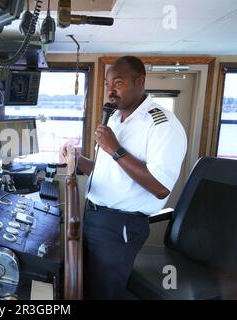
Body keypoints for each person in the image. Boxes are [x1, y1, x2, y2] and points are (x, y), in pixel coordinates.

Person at [62, 56, 187, 299]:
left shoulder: (162, 125)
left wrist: (115, 149)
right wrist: (77, 161)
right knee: (86, 288)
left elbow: (161, 188)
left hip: (120, 225)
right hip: (93, 215)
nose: (111, 90)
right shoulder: (116, 119)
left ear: (140, 81)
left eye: (118, 83)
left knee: (104, 293)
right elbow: (106, 170)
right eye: (108, 84)